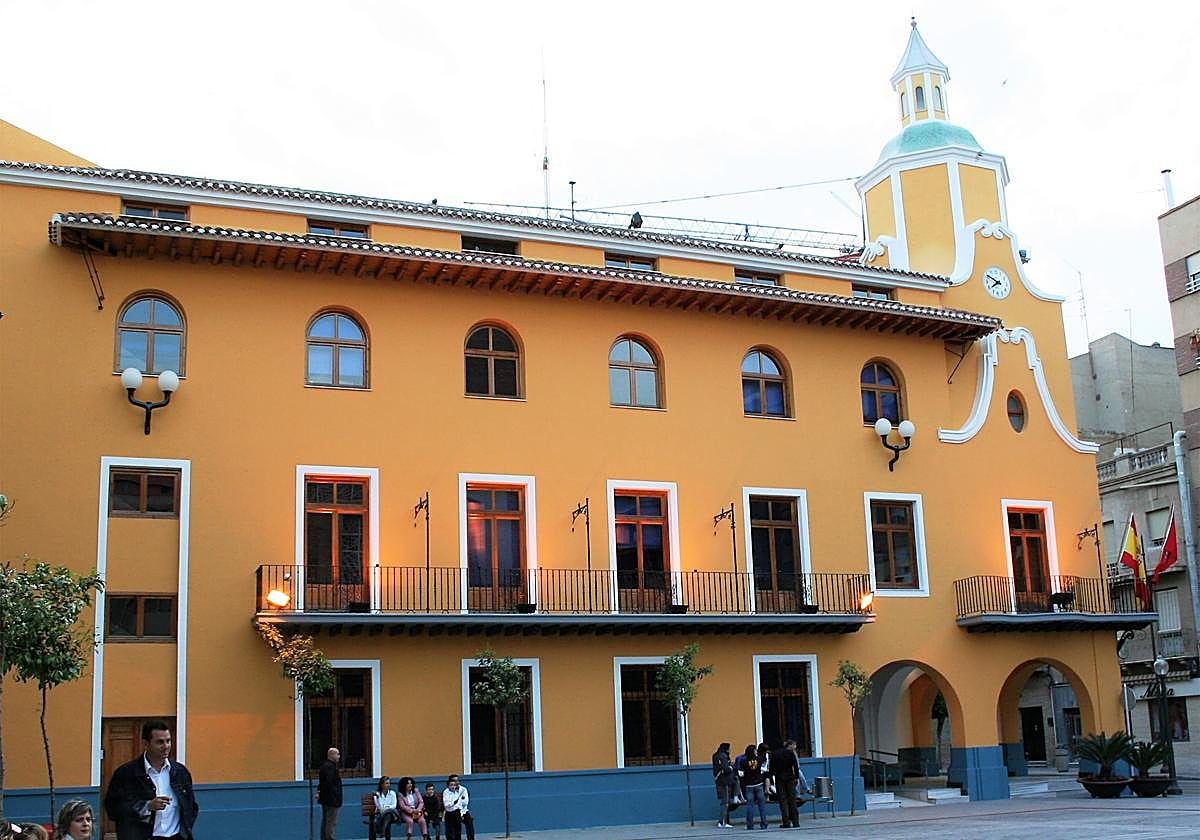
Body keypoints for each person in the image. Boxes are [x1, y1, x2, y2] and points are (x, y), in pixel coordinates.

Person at [104, 719, 199, 840]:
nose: (166, 746)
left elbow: (191, 807)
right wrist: (147, 806)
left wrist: (185, 832)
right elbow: (113, 809)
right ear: (146, 744)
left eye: (168, 741)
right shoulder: (126, 774)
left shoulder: (180, 772)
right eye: (160, 742)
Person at [769, 740, 800, 828]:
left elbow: (771, 767)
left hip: (779, 778)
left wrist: (771, 778)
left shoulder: (774, 754)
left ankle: (786, 822)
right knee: (792, 799)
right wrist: (796, 777)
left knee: (783, 800)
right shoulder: (790, 753)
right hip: (790, 777)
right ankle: (795, 821)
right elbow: (795, 766)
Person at [736, 744, 768, 830]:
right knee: (762, 805)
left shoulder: (743, 761)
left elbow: (741, 774)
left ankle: (750, 825)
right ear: (754, 751)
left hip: (749, 785)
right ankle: (764, 824)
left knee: (750, 805)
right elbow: (763, 770)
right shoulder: (759, 759)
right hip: (759, 784)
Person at [317, 746, 343, 840]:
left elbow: (323, 783)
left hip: (327, 799)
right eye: (337, 754)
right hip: (331, 799)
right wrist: (335, 796)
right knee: (331, 822)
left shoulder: (325, 766)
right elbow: (329, 783)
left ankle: (324, 838)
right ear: (332, 755)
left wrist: (320, 792)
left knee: (326, 821)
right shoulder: (330, 767)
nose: (339, 756)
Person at [711, 742, 737, 828]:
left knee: (724, 801)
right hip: (725, 781)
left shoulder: (716, 755)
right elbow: (726, 768)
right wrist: (731, 767)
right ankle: (722, 822)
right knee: (725, 802)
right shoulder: (723, 756)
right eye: (729, 748)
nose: (730, 750)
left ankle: (722, 821)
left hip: (720, 781)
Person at [441, 775, 474, 840]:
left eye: (457, 780)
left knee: (469, 821)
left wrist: (461, 813)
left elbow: (465, 802)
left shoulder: (463, 789)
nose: (456, 782)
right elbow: (447, 804)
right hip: (451, 811)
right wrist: (455, 803)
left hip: (463, 810)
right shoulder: (446, 791)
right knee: (450, 827)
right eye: (454, 781)